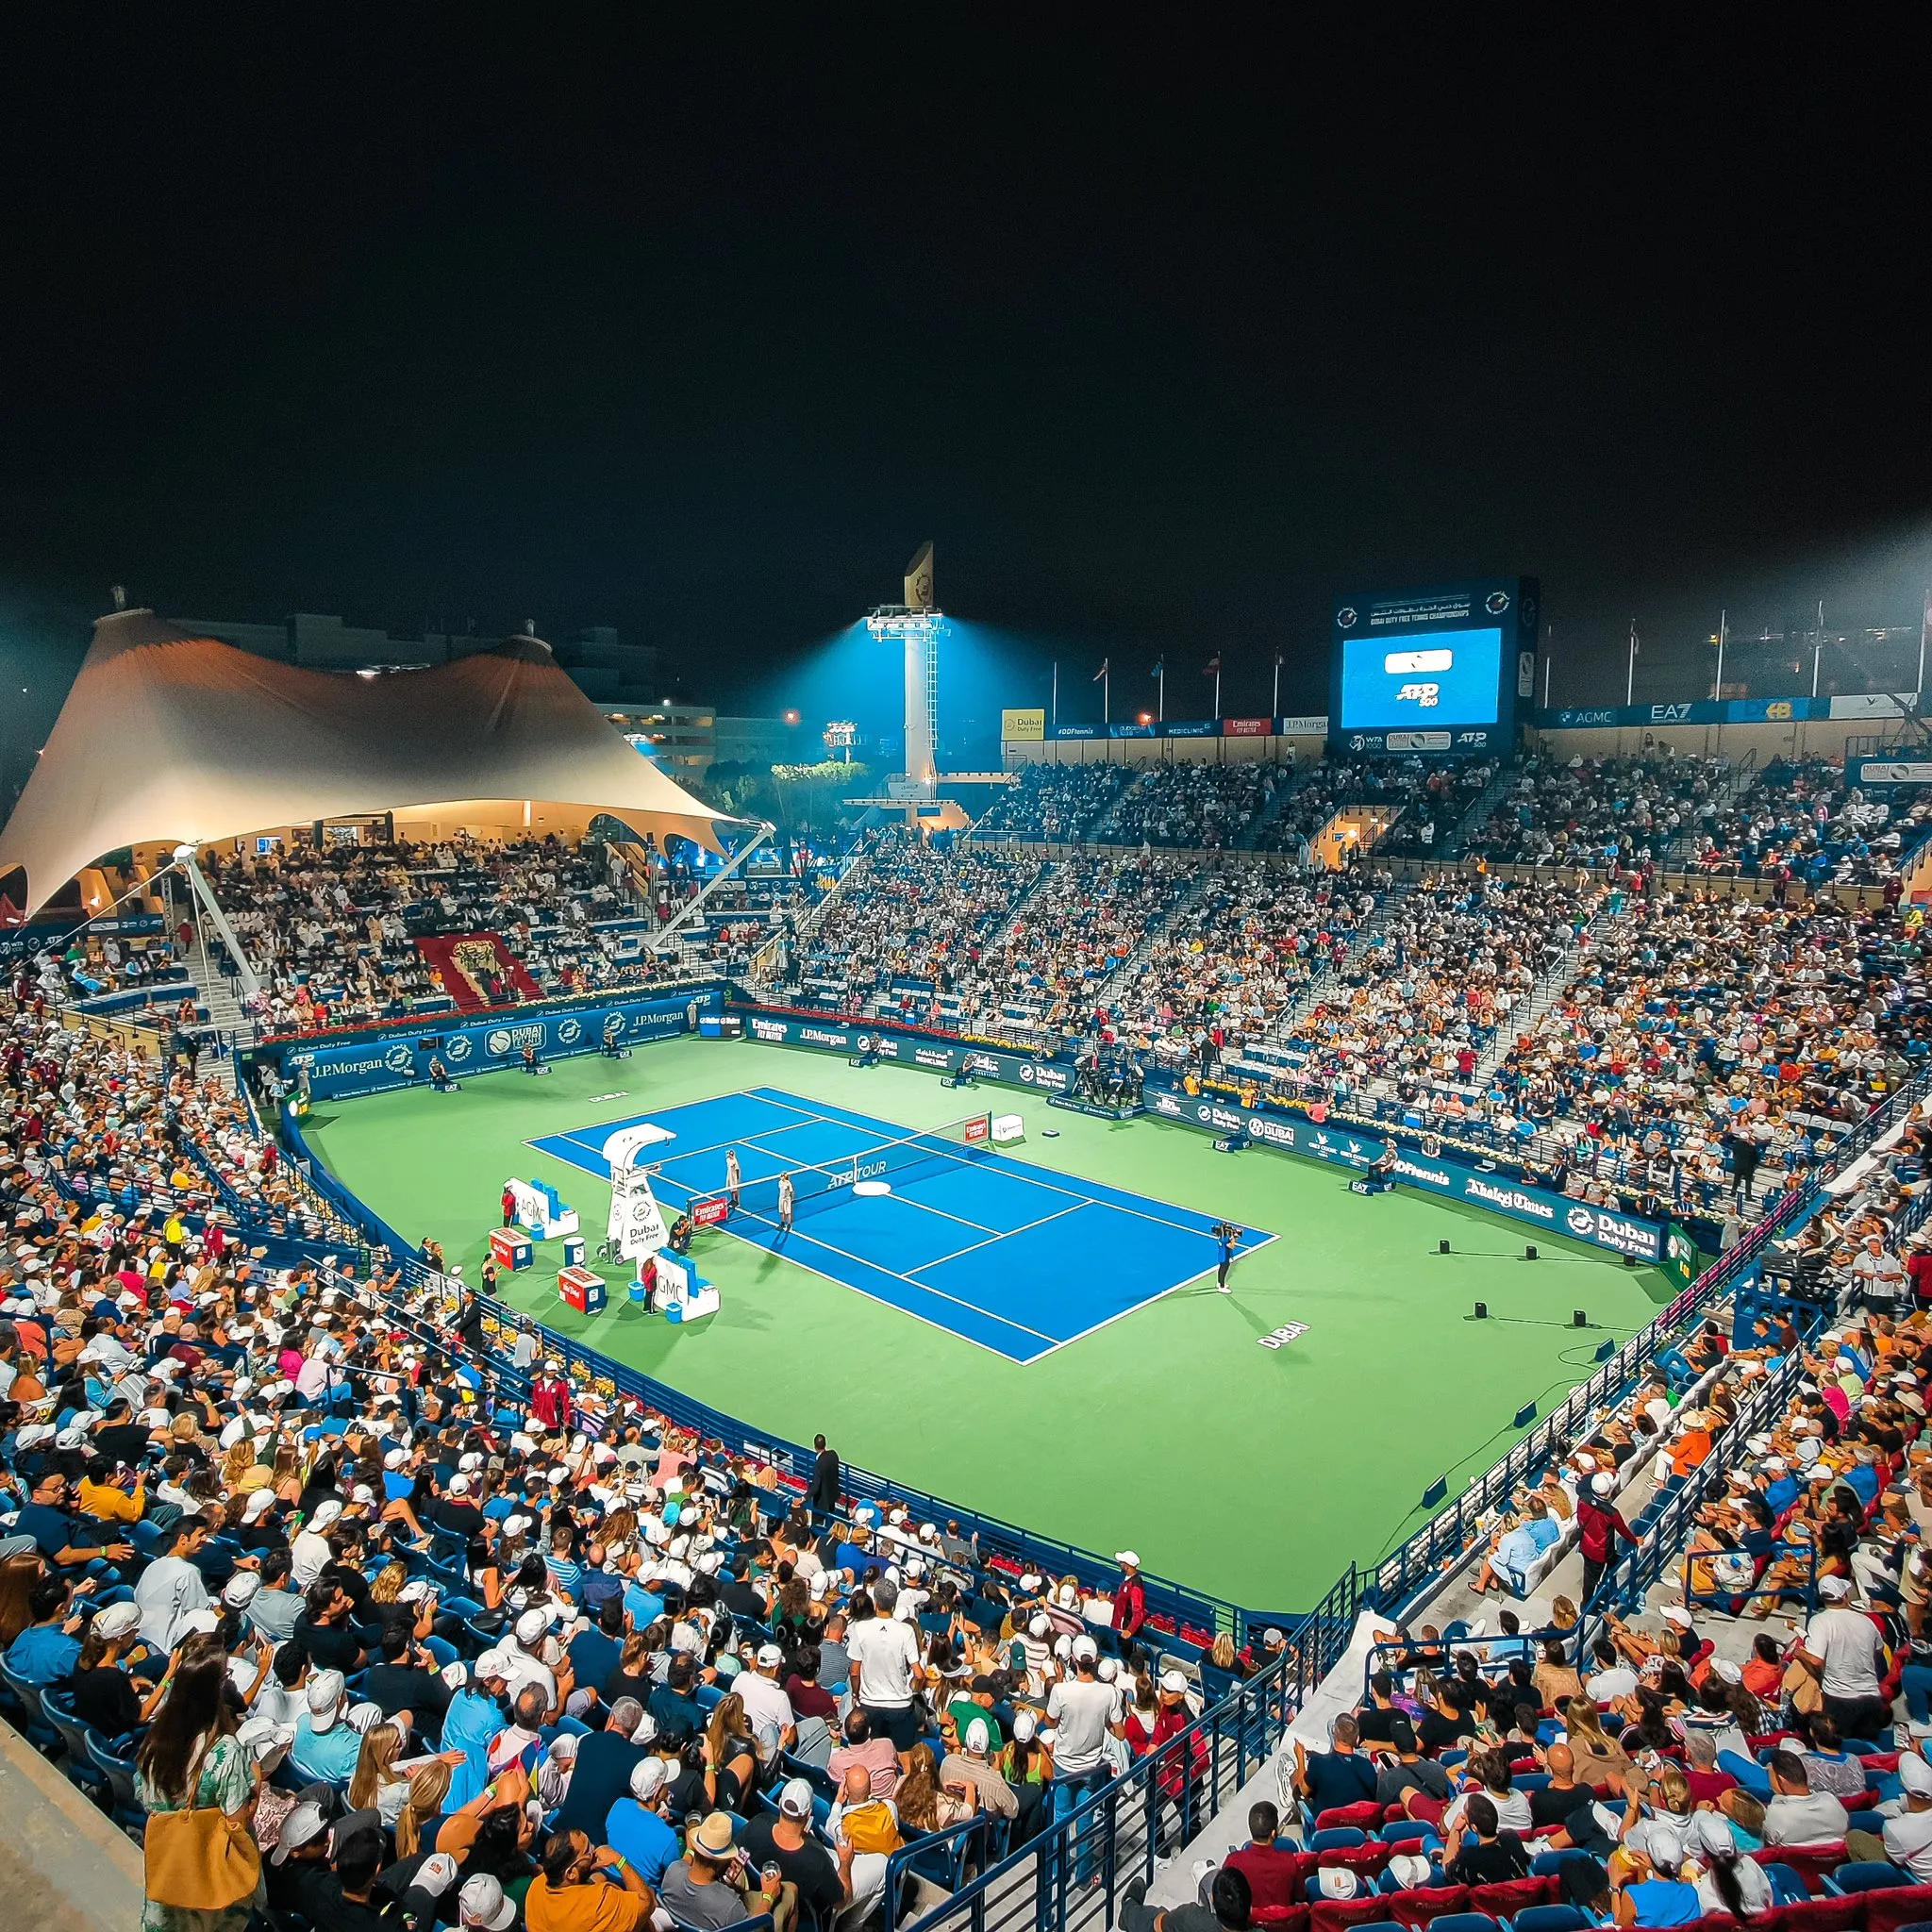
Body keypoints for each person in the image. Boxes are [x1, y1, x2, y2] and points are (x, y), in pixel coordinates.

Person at [135, 1633, 266, 1932]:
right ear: (215, 1691)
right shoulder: (225, 1751)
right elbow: (237, 1821)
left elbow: (145, 1796)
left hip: (170, 1865)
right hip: (207, 1870)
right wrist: (255, 1784)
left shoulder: (157, 1738)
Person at [524, 1826, 655, 1932]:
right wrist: (618, 1860)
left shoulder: (537, 1885)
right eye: (588, 1850)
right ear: (571, 1873)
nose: (594, 1849)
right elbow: (647, 1904)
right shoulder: (599, 1903)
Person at [776, 1169, 794, 1239]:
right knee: (781, 1211)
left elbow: (791, 1192)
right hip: (781, 1198)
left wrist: (791, 1199)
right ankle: (783, 1223)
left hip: (787, 1199)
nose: (781, 1177)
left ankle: (789, 1224)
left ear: (785, 1177)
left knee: (788, 1212)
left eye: (782, 1176)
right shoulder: (780, 1182)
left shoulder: (789, 1184)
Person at [724, 1149, 742, 1214]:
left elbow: (737, 1170)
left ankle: (737, 1202)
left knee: (735, 1190)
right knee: (730, 1189)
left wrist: (737, 1178)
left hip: (734, 1177)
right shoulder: (728, 1160)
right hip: (729, 1177)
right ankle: (733, 1199)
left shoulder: (735, 1161)